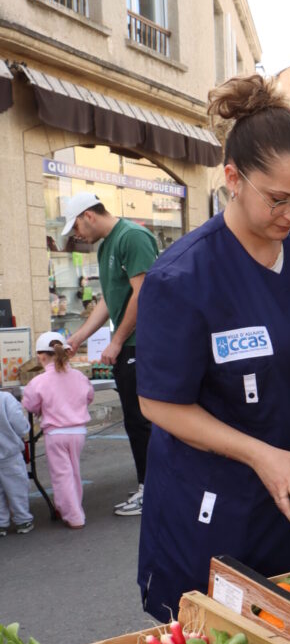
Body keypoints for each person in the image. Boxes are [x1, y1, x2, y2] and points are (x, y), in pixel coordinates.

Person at [135, 74, 290, 622]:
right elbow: (159, 403)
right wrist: (259, 453)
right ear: (233, 179)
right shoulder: (183, 277)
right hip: (215, 507)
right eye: (278, 199)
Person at [61, 191, 158, 516]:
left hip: (142, 345)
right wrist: (79, 337)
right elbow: (109, 300)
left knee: (143, 421)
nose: (76, 235)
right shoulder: (107, 246)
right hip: (129, 346)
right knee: (135, 420)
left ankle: (153, 490)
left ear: (88, 215)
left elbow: (142, 293)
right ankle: (150, 485)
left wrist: (116, 341)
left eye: (75, 226)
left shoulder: (131, 237)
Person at [22, 332, 94, 529]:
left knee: (62, 475)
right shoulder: (79, 376)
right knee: (74, 471)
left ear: (42, 356)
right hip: (78, 432)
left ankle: (74, 515)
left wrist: (40, 410)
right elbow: (89, 396)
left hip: (55, 434)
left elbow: (29, 404)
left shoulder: (39, 381)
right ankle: (71, 506)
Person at [0, 390, 33, 536]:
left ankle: (1, 522)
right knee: (17, 487)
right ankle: (22, 519)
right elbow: (20, 425)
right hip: (9, 452)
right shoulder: (6, 398)